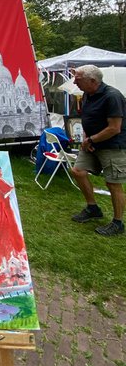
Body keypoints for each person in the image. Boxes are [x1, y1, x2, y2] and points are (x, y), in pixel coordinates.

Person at [70, 65, 126, 237]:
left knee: (113, 183)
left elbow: (114, 128)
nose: (74, 82)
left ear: (92, 81)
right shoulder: (87, 94)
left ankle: (118, 223)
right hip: (92, 144)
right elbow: (88, 119)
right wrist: (88, 139)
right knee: (78, 171)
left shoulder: (112, 96)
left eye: (78, 79)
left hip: (112, 145)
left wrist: (91, 140)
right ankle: (93, 208)